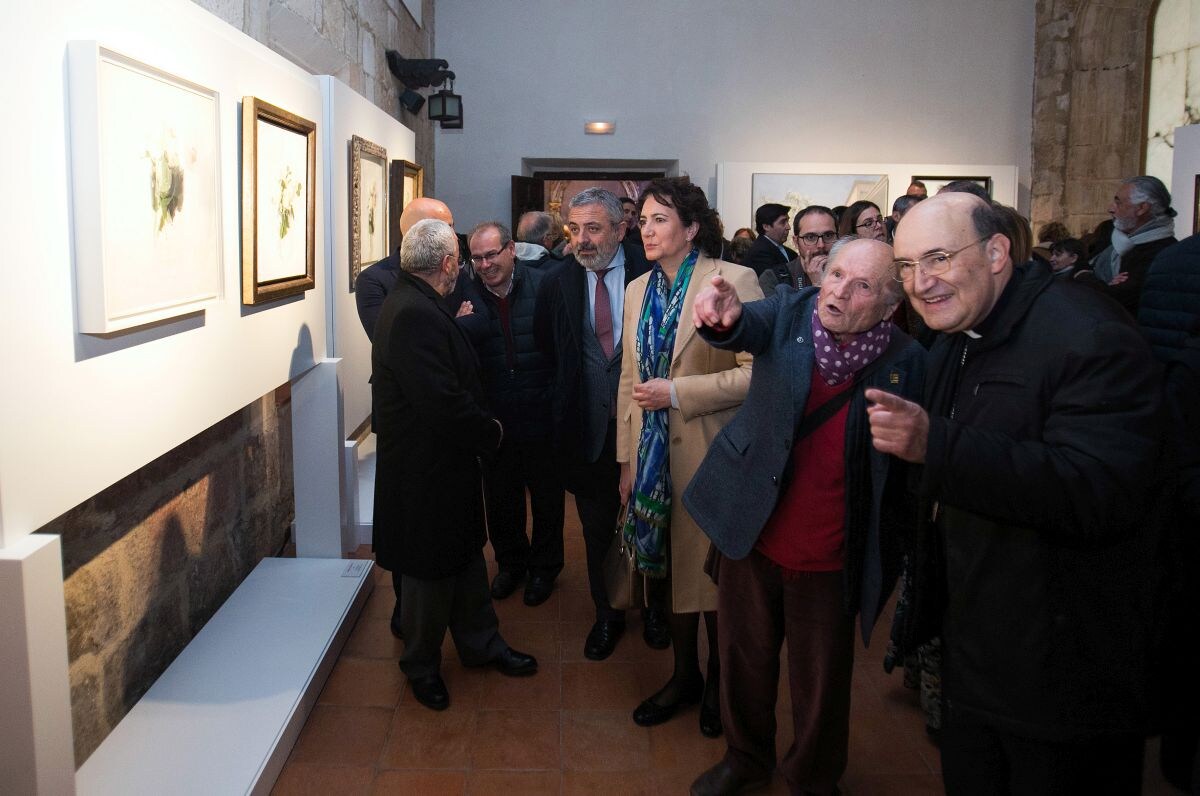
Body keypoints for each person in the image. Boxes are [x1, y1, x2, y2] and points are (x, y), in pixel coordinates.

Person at [873, 193, 1163, 793]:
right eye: (905, 266)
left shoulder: (1090, 335)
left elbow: (1100, 490)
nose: (920, 283)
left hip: (1066, 672)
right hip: (980, 651)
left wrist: (938, 446)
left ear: (998, 252)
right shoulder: (960, 330)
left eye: (938, 258)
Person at [685, 237, 925, 796]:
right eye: (836, 273)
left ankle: (812, 777)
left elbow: (908, 474)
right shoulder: (791, 310)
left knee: (821, 683)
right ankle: (745, 760)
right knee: (743, 662)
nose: (838, 290)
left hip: (831, 554)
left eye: (862, 284)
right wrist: (722, 321)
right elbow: (742, 326)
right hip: (755, 532)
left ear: (891, 305)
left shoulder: (908, 364)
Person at [371, 219, 538, 711]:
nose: (463, 272)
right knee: (427, 574)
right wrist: (491, 432)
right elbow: (442, 400)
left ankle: (481, 645)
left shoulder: (414, 301)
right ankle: (421, 667)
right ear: (448, 264)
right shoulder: (415, 313)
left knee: (464, 558)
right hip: (428, 472)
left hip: (444, 468)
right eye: (460, 263)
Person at [616, 176, 762, 739]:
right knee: (671, 574)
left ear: (692, 228)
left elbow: (757, 373)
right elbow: (630, 380)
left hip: (713, 455)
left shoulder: (733, 280)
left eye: (659, 220)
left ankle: (720, 687)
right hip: (653, 462)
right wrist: (626, 462)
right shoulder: (636, 290)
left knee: (714, 583)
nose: (647, 230)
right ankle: (683, 676)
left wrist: (678, 394)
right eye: (644, 220)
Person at [533, 188, 669, 659]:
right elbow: (549, 352)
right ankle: (607, 615)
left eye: (594, 228)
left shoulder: (652, 274)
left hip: (648, 429)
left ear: (620, 228)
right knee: (596, 531)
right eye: (575, 229)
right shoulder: (555, 282)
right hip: (586, 433)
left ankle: (653, 609)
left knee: (651, 520)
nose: (583, 240)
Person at [459, 222, 564, 607]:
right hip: (496, 420)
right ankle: (510, 566)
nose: (485, 265)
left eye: (492, 255)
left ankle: (545, 569)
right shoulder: (463, 296)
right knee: (501, 501)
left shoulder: (546, 285)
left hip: (542, 414)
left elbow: (563, 348)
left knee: (548, 500)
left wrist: (556, 403)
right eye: (477, 258)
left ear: (511, 250)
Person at [355, 197, 455, 342]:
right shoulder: (372, 280)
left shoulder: (450, 266)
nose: (454, 235)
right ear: (418, 232)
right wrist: (454, 326)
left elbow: (481, 318)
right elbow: (389, 340)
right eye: (446, 228)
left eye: (452, 226)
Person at [1077, 175, 1178, 317]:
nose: (1110, 209)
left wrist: (1083, 276)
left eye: (1118, 203)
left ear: (1142, 208)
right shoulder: (1111, 237)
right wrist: (1092, 278)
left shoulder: (1164, 252)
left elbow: (1117, 298)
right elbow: (1082, 266)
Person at [759, 205, 838, 293]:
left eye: (828, 236)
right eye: (811, 237)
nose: (821, 245)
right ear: (796, 242)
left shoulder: (849, 274)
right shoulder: (774, 278)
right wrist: (818, 286)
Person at [744, 203, 796, 275]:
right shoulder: (759, 253)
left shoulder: (791, 253)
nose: (788, 227)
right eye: (783, 222)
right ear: (766, 226)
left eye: (787, 221)